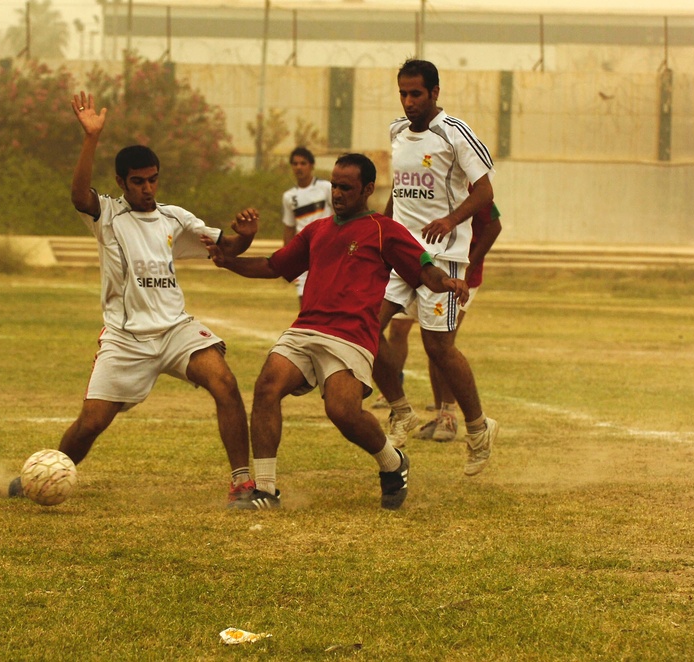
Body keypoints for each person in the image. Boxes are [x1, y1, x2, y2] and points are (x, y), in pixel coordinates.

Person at [9, 91, 258, 507]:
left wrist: (245, 237)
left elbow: (226, 248)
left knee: (226, 384)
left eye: (153, 179)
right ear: (122, 182)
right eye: (138, 181)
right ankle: (47, 474)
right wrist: (91, 139)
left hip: (176, 330)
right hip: (126, 339)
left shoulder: (174, 218)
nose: (147, 188)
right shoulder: (106, 216)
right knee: (91, 423)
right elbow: (77, 196)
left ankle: (242, 485)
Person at [203, 153, 469, 510]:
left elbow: (424, 270)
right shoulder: (317, 230)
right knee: (267, 386)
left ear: (368, 190)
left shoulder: (383, 230)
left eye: (346, 187)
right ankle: (265, 491)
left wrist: (446, 281)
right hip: (307, 328)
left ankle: (393, 462)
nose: (337, 194)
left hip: (352, 335)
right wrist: (228, 261)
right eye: (334, 186)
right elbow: (272, 265)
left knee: (341, 411)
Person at [374, 58, 499, 476]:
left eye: (416, 94)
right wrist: (381, 229)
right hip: (399, 254)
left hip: (443, 256)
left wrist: (450, 220)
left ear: (434, 93)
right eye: (403, 94)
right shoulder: (395, 131)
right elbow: (399, 192)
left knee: (438, 348)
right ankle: (401, 411)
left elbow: (484, 192)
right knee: (364, 327)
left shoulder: (455, 132)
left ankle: (479, 429)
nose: (409, 102)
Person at [281, 147, 334, 305]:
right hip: (304, 255)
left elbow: (341, 215)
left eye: (303, 163)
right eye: (295, 164)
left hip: (327, 253)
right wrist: (287, 259)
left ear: (311, 165)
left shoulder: (326, 188)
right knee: (305, 304)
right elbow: (289, 228)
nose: (299, 167)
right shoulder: (289, 196)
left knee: (328, 301)